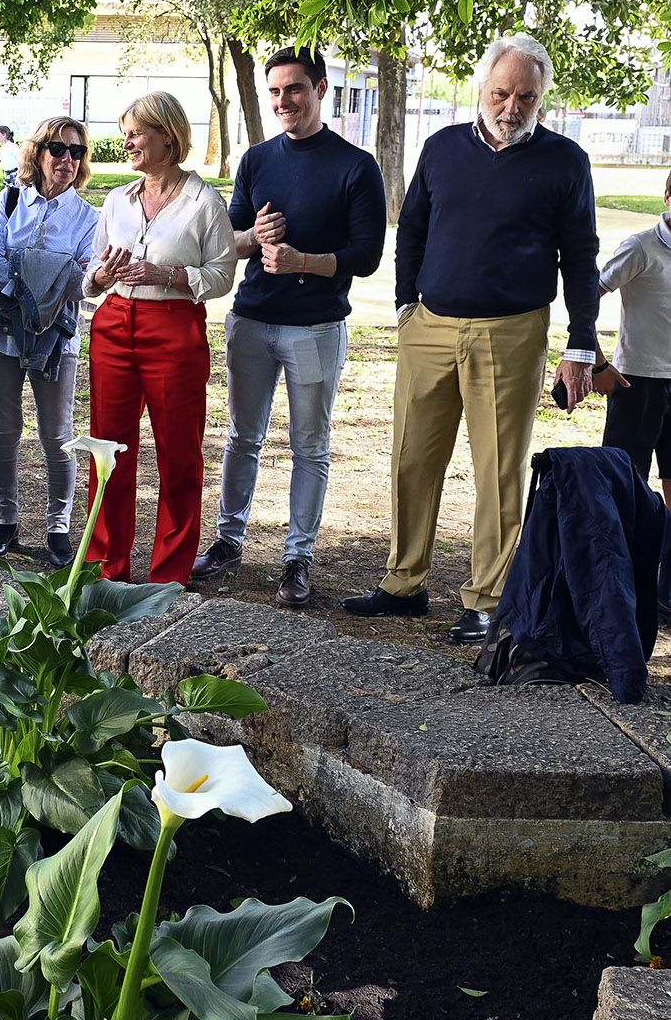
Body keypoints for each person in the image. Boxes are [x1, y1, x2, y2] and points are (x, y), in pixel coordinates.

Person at [343, 34, 601, 644]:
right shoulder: (441, 148)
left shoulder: (566, 161)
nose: (512, 107)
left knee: (498, 471)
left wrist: (581, 342)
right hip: (429, 327)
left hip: (512, 334)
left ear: (542, 99)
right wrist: (408, 305)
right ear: (482, 90)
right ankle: (403, 584)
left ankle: (487, 599)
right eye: (501, 93)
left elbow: (581, 256)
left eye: (526, 97)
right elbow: (412, 230)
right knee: (412, 458)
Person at [191, 47, 387, 608]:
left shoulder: (356, 165)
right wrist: (255, 236)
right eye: (275, 91)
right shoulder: (255, 160)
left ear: (321, 89)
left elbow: (367, 255)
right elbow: (224, 243)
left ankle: (297, 556)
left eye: (295, 89)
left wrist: (304, 261)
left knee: (310, 446)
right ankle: (229, 541)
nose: (284, 102)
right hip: (253, 319)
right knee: (242, 437)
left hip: (316, 326)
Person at [81, 90, 237, 584]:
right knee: (107, 448)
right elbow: (92, 268)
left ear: (167, 136)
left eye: (135, 133)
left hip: (172, 328)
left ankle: (170, 573)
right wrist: (101, 277)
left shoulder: (204, 201)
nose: (126, 142)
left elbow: (222, 274)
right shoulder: (117, 199)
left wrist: (168, 274)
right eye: (125, 133)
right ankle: (106, 567)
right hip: (113, 324)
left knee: (179, 453)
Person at [0, 116, 100, 570]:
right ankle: (4, 523)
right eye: (58, 148)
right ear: (38, 152)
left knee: (57, 435)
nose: (67, 159)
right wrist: (31, 291)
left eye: (77, 152)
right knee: (3, 429)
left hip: (57, 337)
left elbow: (85, 278)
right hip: (2, 330)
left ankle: (58, 528)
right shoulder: (9, 201)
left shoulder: (89, 218)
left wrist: (38, 278)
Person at [596, 170, 671, 503]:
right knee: (624, 481)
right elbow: (587, 298)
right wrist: (597, 363)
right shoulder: (640, 247)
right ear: (667, 197)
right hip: (638, 382)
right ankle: (620, 554)